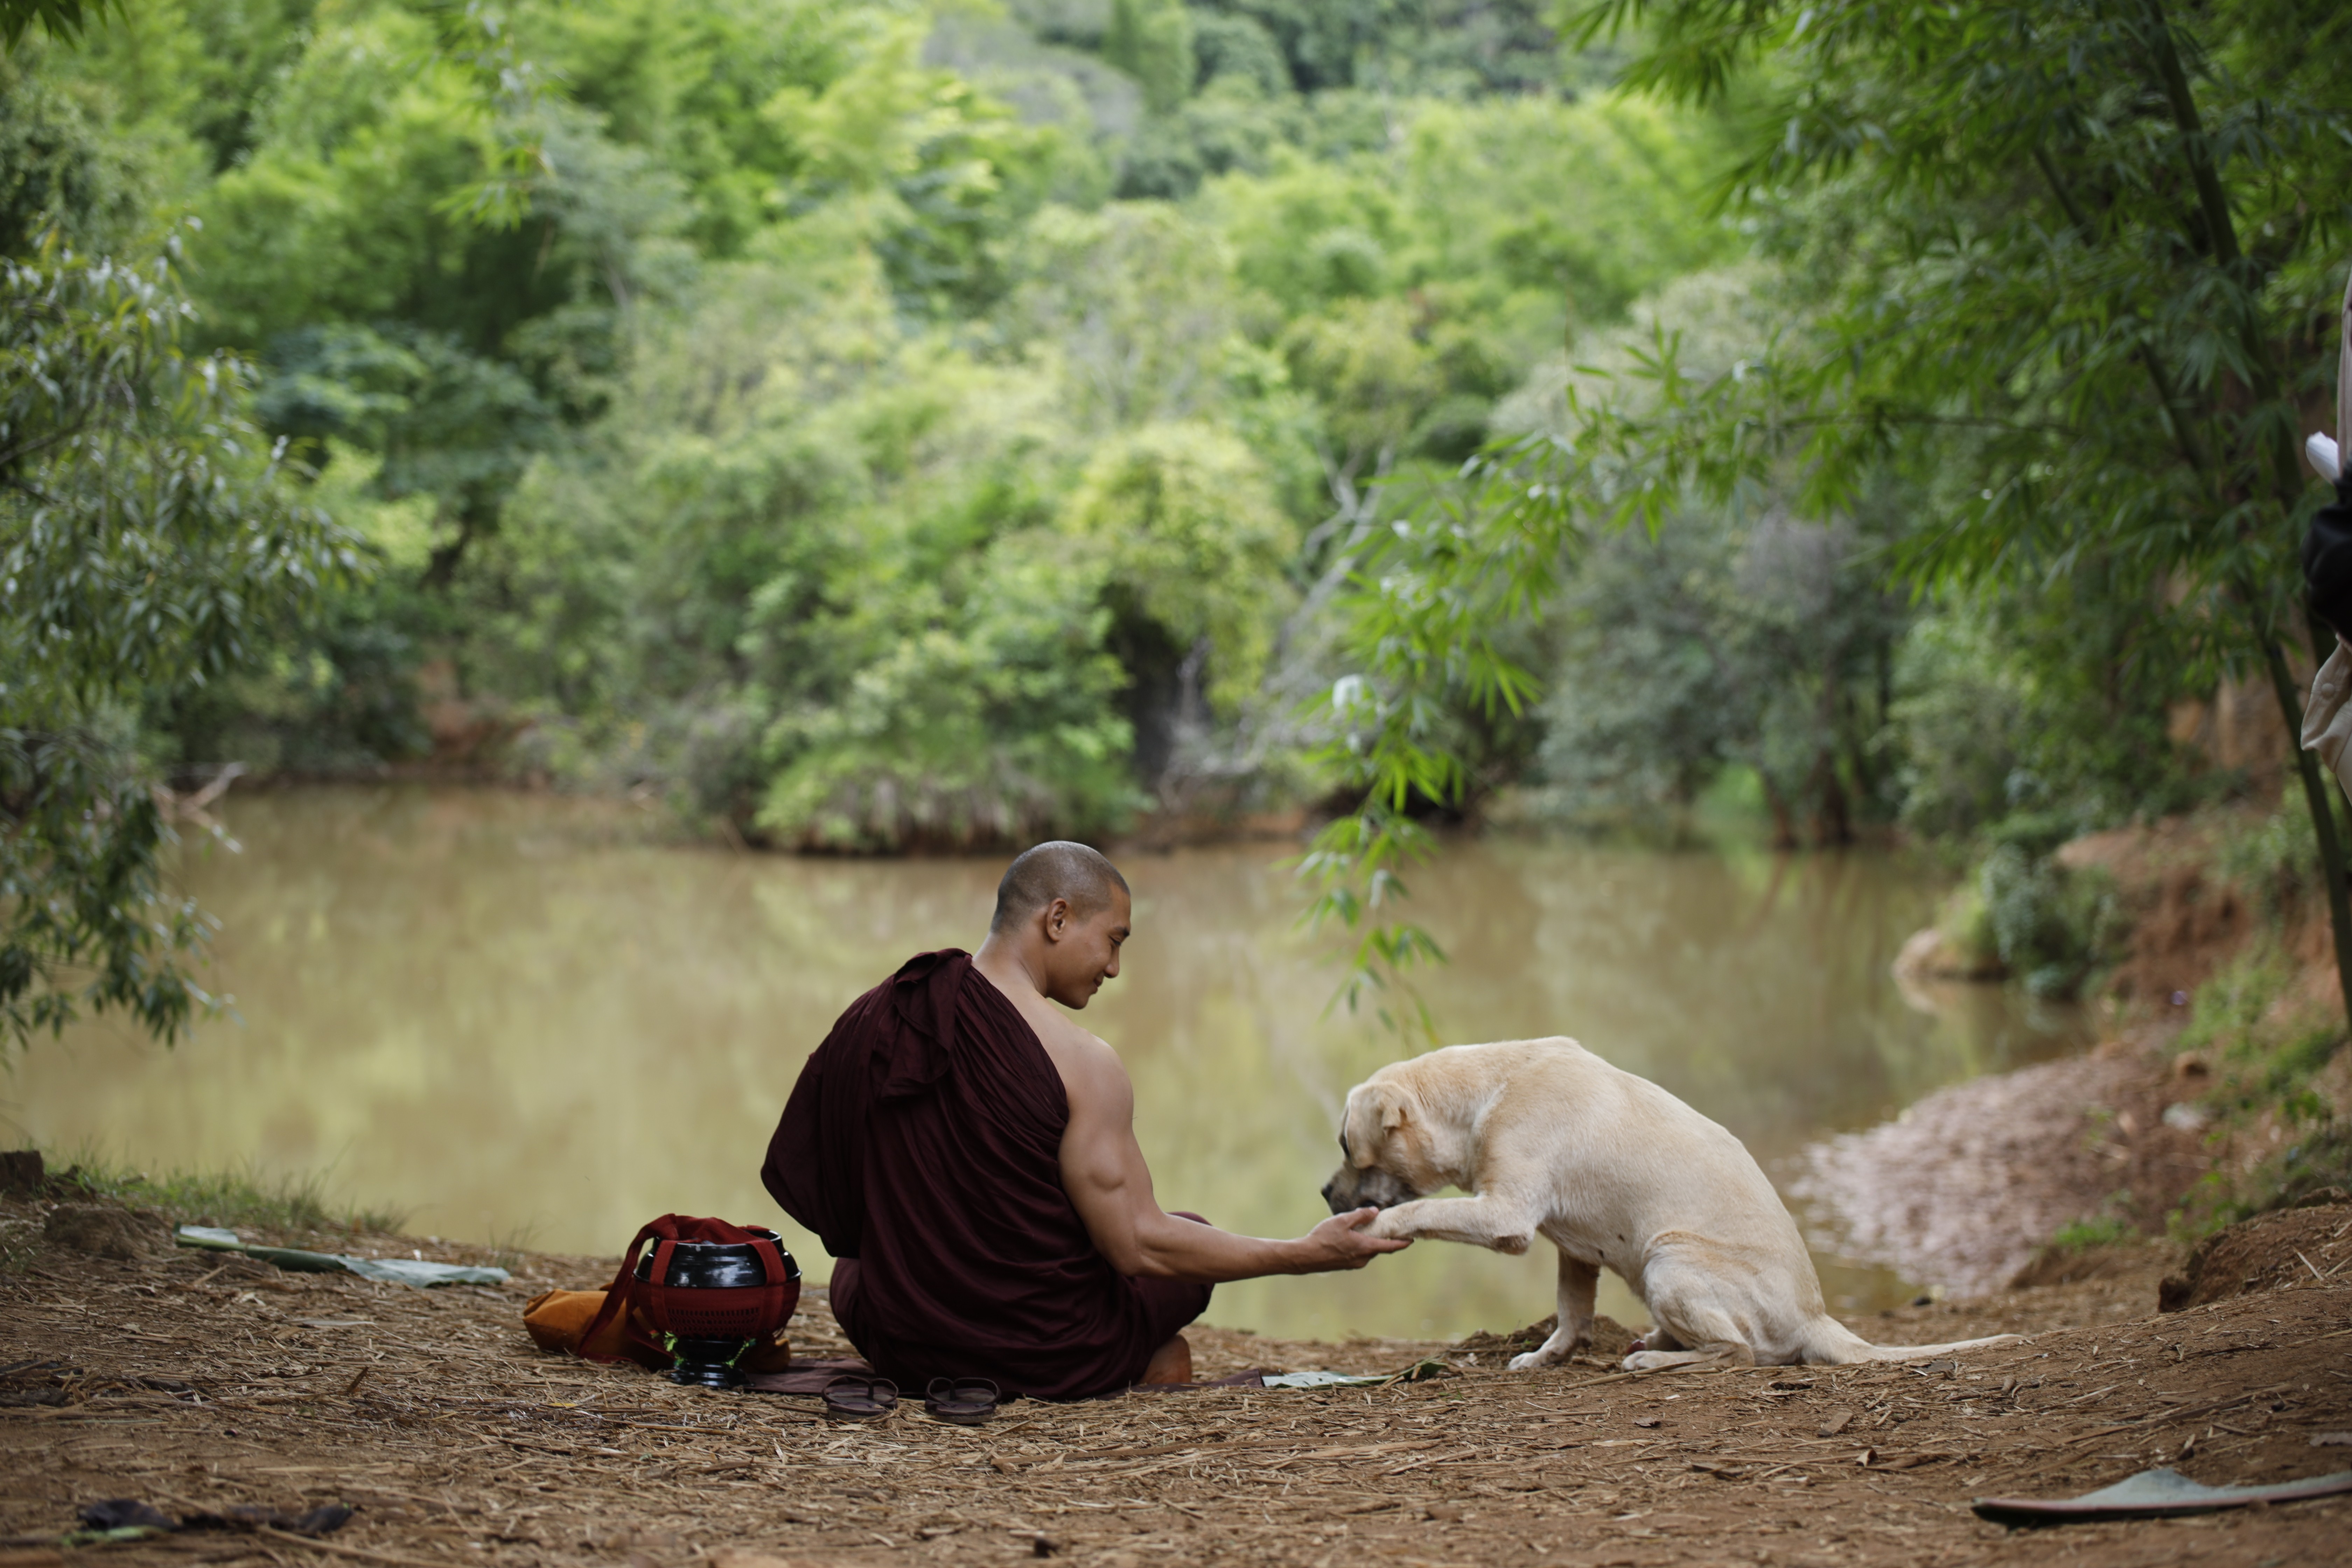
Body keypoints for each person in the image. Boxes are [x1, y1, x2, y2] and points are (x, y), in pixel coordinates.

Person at [759, 841, 1408, 1399]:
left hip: (905, 1342)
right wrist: (1303, 1253)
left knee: (856, 1270)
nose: (1115, 968)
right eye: (1114, 940)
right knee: (1189, 1236)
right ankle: (1143, 1362)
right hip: (1044, 1353)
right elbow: (1139, 1243)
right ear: (1059, 919)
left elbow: (834, 1201)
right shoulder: (1084, 1062)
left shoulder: (881, 1014)